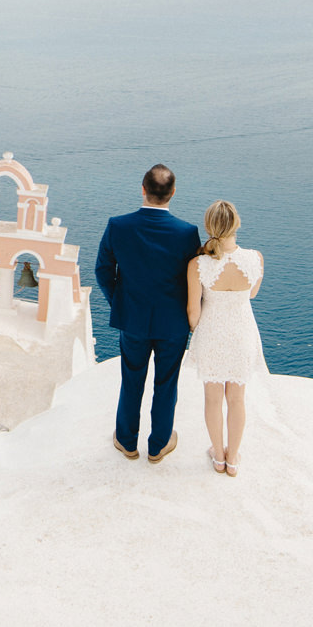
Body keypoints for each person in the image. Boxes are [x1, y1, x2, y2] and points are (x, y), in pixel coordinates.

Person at [95, 164, 203, 463]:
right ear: (173, 193)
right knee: (166, 383)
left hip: (133, 320)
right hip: (173, 324)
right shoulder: (187, 232)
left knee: (131, 379)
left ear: (142, 189)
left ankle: (127, 442)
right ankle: (158, 446)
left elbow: (103, 271)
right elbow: (195, 277)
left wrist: (120, 301)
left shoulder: (118, 226)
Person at [185, 199, 264, 475]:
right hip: (242, 333)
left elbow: (193, 313)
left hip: (211, 334)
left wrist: (201, 329)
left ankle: (218, 456)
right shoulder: (255, 259)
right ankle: (233, 459)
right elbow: (251, 294)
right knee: (237, 399)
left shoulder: (197, 265)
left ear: (209, 226)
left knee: (213, 400)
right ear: (236, 224)